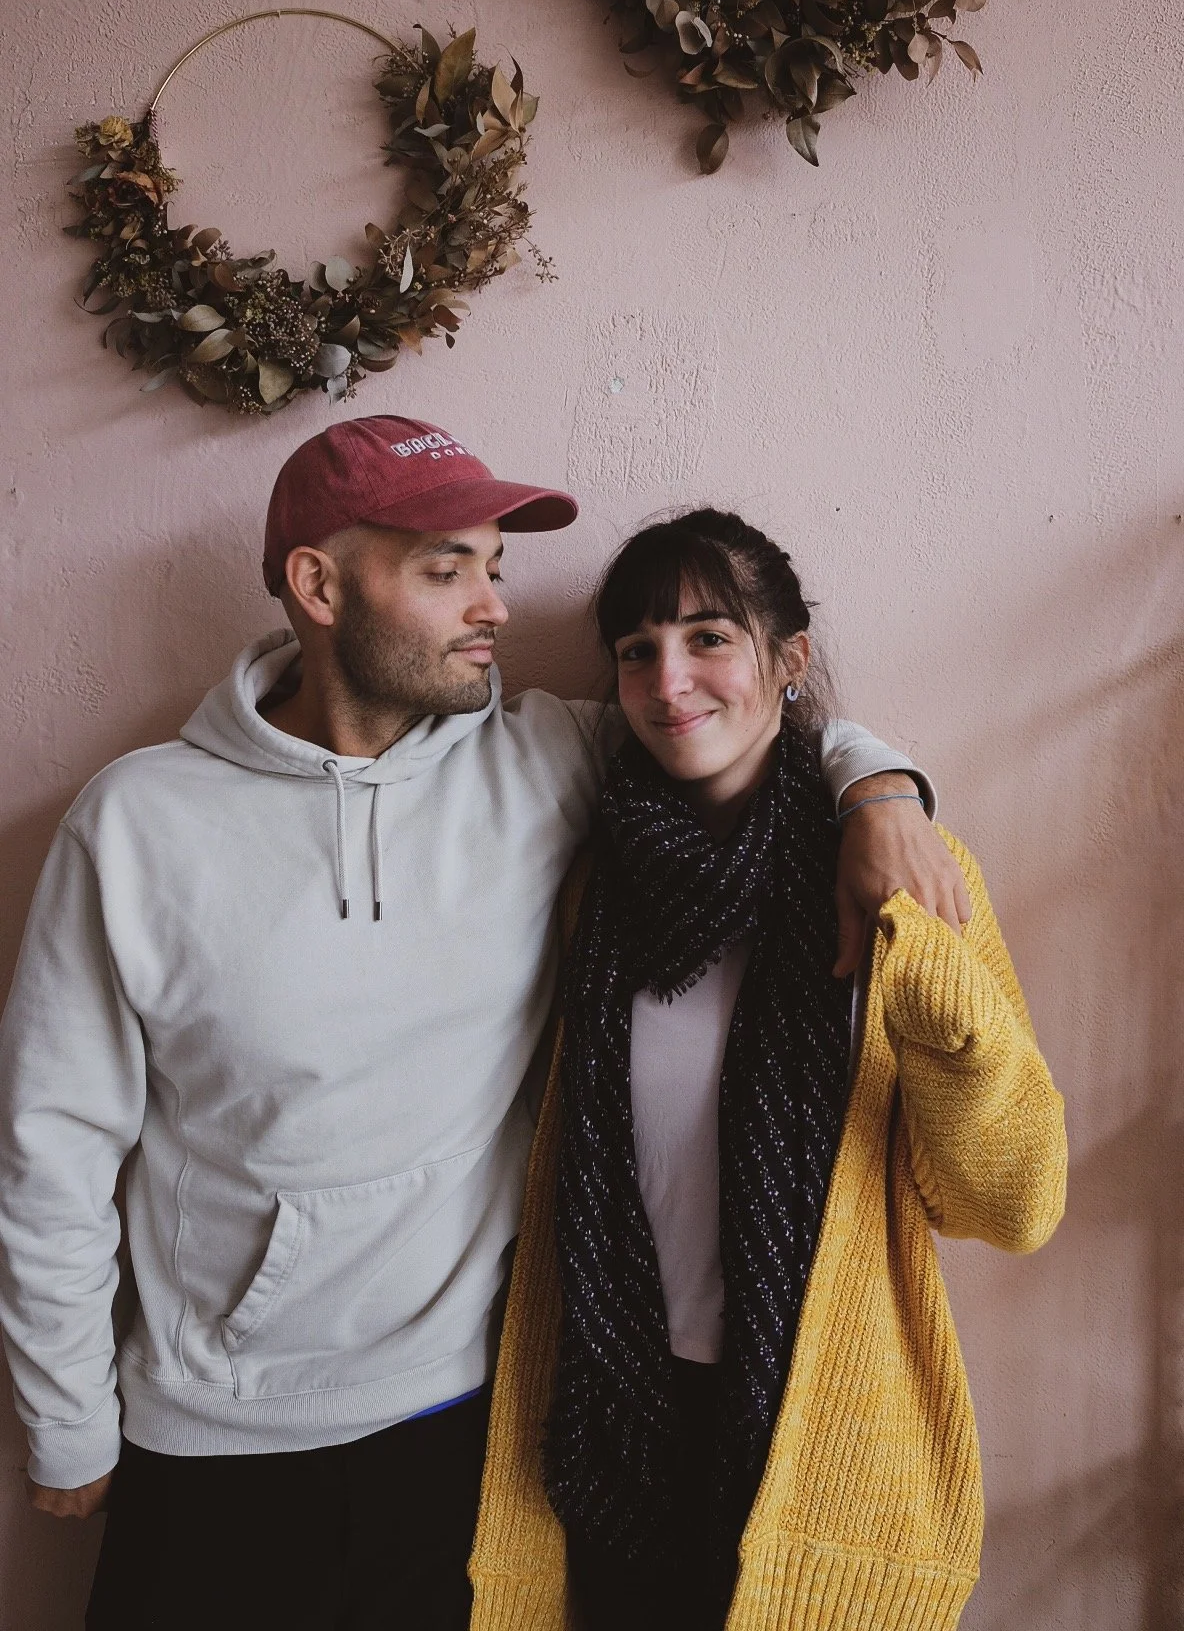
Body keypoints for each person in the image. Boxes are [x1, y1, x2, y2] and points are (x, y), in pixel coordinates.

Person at [0, 418, 968, 1631]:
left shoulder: (542, 758)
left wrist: (879, 792)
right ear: (319, 586)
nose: (493, 607)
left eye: (495, 568)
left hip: (460, 1429)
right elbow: (52, 1147)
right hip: (209, 1435)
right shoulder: (136, 823)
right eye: (444, 569)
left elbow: (744, 717)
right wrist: (66, 1418)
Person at [468, 508, 1068, 1631]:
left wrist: (951, 1025)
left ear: (789, 660)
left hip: (812, 1425)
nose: (667, 681)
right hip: (617, 1415)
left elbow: (1011, 1204)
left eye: (708, 637)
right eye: (637, 649)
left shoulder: (906, 883)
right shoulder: (593, 888)